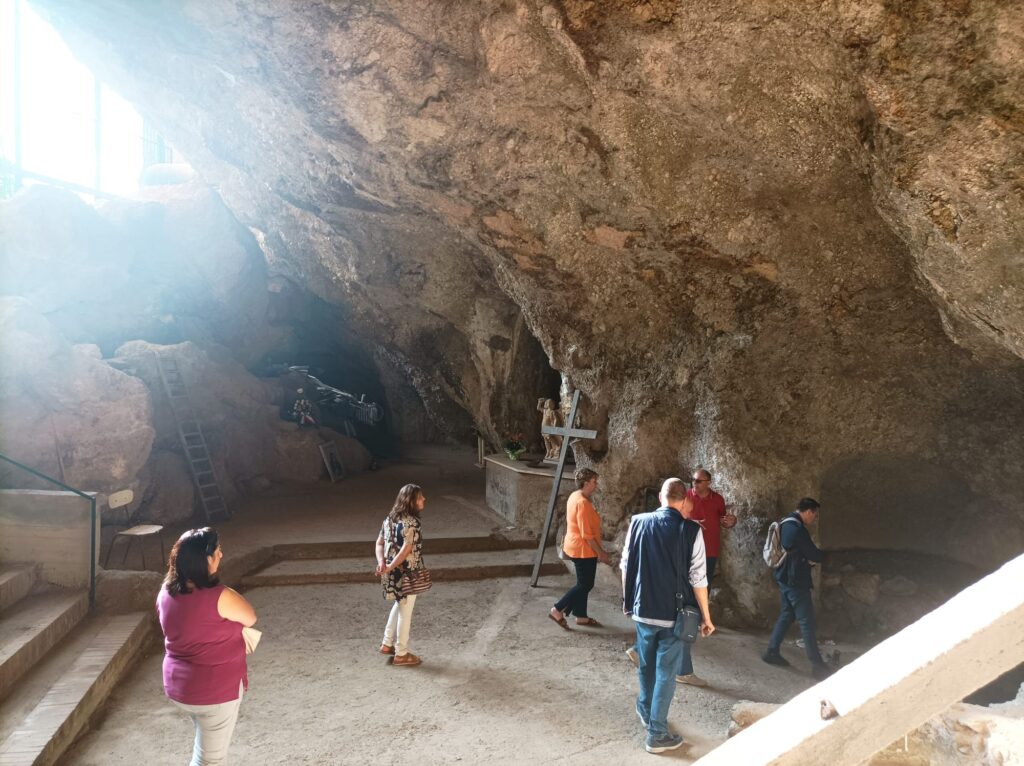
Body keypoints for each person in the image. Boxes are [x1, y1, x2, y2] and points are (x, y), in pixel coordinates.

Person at [621, 478, 714, 754]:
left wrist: (628, 601)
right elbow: (699, 578)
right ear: (684, 499)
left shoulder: (638, 522)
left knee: (646, 665)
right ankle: (657, 734)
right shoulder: (691, 530)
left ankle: (644, 707)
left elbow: (626, 565)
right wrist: (707, 618)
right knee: (665, 673)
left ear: (661, 497)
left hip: (643, 609)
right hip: (674, 615)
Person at [157, 527, 257, 766]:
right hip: (213, 691)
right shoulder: (220, 596)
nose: (221, 555)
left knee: (204, 747)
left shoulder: (165, 591)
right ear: (204, 560)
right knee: (210, 760)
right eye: (217, 551)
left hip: (179, 684)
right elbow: (250, 618)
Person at [673, 468, 737, 686]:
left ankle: (698, 621)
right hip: (687, 551)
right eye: (692, 480)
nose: (695, 484)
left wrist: (731, 521)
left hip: (709, 551)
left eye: (699, 481)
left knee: (703, 587)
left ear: (708, 482)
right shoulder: (687, 496)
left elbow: (723, 519)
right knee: (687, 589)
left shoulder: (717, 499)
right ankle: (687, 622)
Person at [762, 497, 832, 680]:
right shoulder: (797, 529)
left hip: (785, 578)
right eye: (814, 515)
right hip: (795, 582)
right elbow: (812, 553)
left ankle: (772, 651)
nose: (814, 519)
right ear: (808, 511)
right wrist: (828, 556)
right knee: (807, 622)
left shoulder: (786, 523)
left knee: (787, 614)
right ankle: (817, 666)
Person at [549, 468, 610, 629]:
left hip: (576, 546)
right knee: (585, 584)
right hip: (582, 550)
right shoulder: (582, 502)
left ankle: (581, 615)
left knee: (583, 583)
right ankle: (557, 609)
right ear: (586, 483)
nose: (596, 485)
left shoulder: (575, 495)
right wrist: (601, 553)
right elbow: (587, 535)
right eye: (594, 482)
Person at [375, 483, 427, 667]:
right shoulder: (412, 523)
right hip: (407, 573)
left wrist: (383, 563)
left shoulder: (389, 519)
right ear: (411, 501)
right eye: (420, 497)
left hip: (392, 572)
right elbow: (406, 550)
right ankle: (401, 653)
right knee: (406, 611)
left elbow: (379, 543)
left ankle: (387, 643)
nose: (423, 499)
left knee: (400, 603)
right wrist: (389, 566)